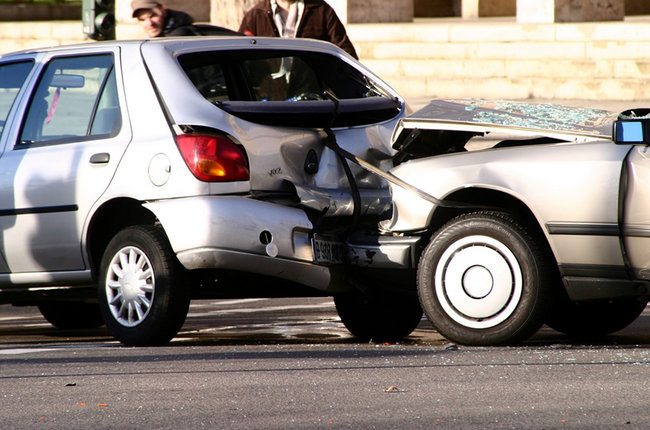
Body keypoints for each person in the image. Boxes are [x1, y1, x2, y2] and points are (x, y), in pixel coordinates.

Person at [239, 0, 358, 59]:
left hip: (314, 99)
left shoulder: (322, 11)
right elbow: (240, 56)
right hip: (268, 101)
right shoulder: (255, 16)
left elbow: (346, 55)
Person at [131, 0, 239, 37]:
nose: (149, 23)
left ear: (163, 12)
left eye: (153, 16)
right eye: (142, 20)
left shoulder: (179, 36)